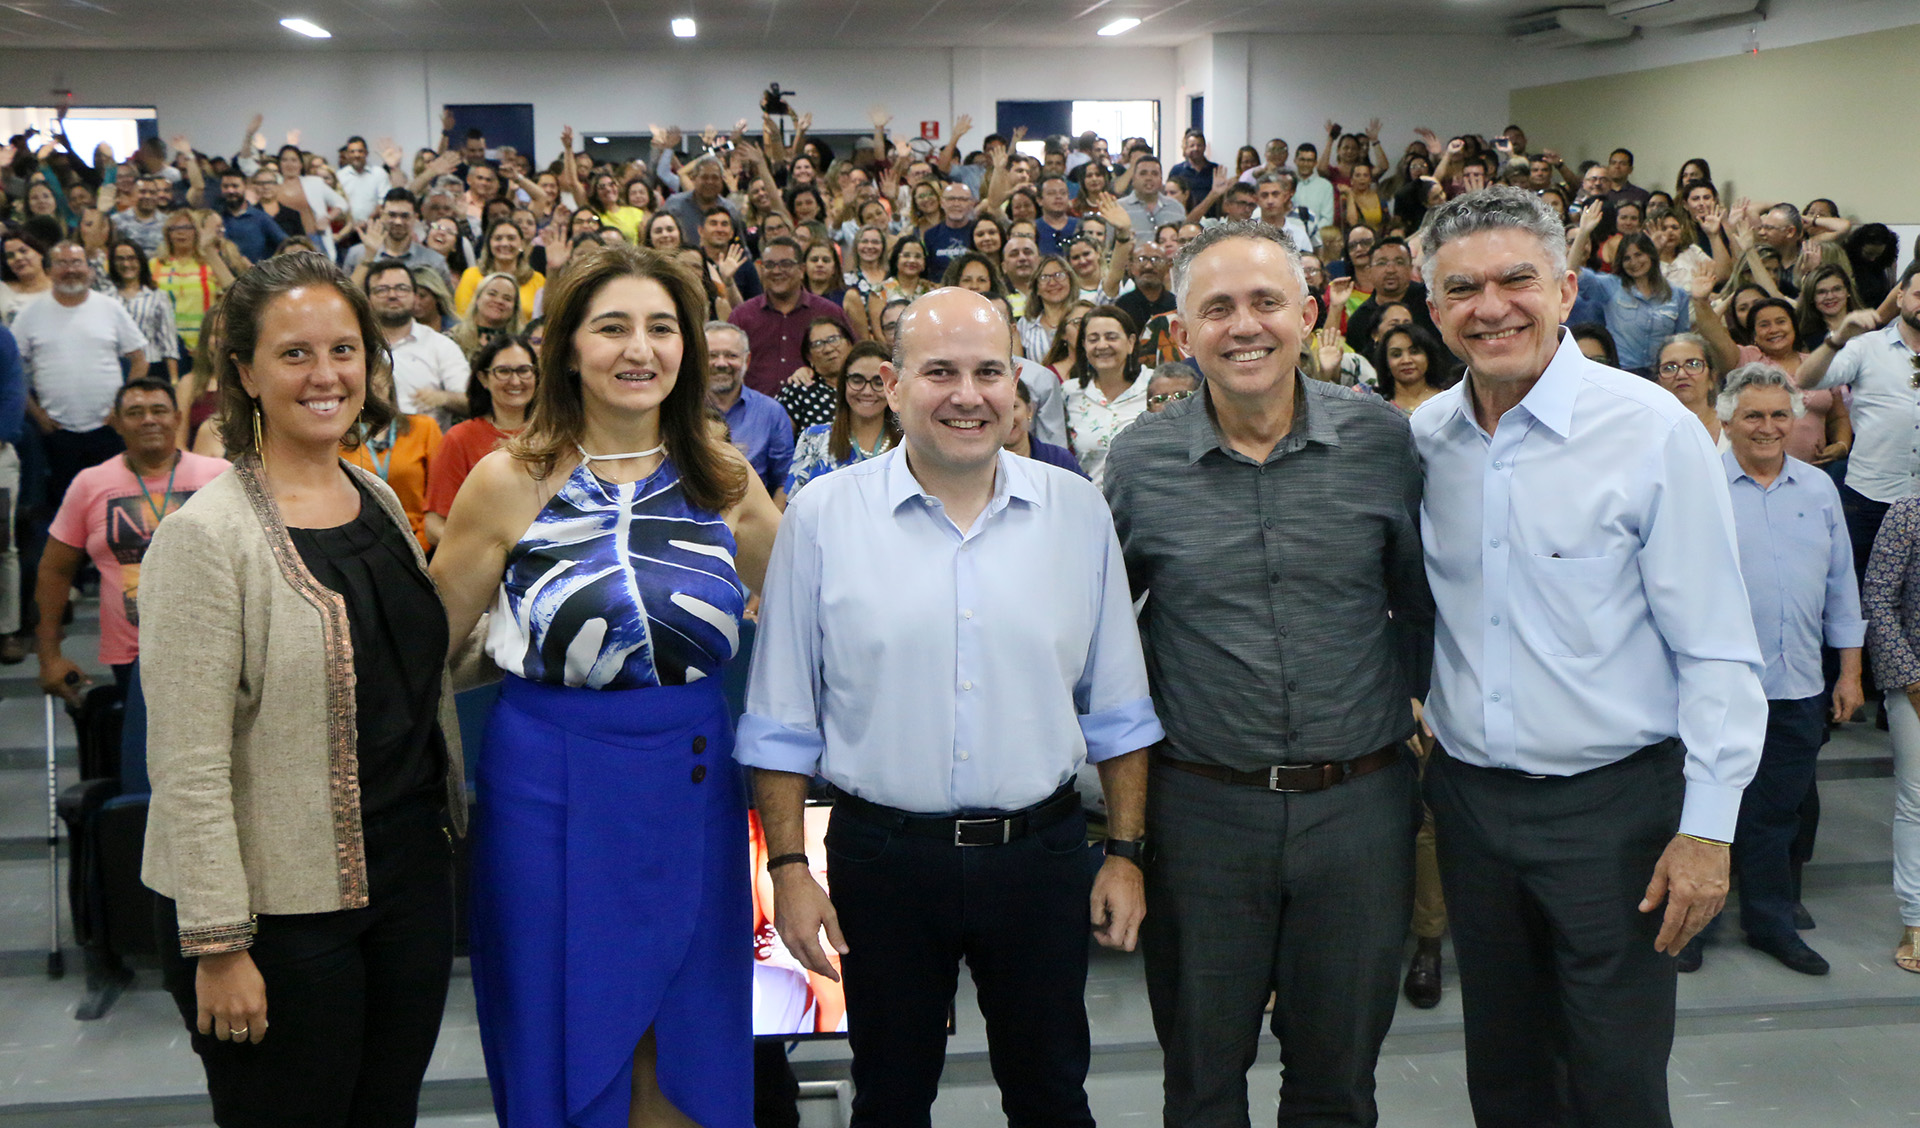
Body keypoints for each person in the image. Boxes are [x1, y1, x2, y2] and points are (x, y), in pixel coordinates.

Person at [738, 286, 1161, 1128]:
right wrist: (788, 871)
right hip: (882, 860)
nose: (967, 395)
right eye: (940, 372)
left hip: (1038, 859)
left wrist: (1124, 851)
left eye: (988, 372)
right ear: (892, 387)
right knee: (891, 1096)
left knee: (1050, 1094)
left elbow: (1118, 706)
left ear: (1018, 391)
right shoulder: (822, 516)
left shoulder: (1076, 510)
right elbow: (779, 717)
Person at [1412, 186, 1765, 1127]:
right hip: (1472, 806)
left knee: (1614, 1074)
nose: (1492, 307)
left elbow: (1721, 649)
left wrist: (1710, 828)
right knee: (1507, 1070)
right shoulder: (1424, 441)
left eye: (1517, 279)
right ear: (1435, 309)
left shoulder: (1649, 430)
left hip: (1614, 812)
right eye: (1462, 289)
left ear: (1568, 288)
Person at [430, 243, 780, 1128]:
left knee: (686, 1028)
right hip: (543, 790)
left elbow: (811, 626)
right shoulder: (506, 480)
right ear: (569, 349)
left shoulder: (724, 477)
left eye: (662, 328)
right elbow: (427, 652)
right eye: (613, 326)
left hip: (691, 791)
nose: (641, 348)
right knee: (562, 1021)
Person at [1102, 219, 1429, 1125]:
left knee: (1338, 1083)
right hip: (1204, 814)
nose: (1243, 327)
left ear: (1310, 315)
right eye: (1217, 309)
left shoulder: (1381, 444)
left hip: (1359, 810)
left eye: (1264, 303)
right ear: (1179, 335)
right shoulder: (1139, 463)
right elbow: (1103, 637)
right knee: (1202, 1081)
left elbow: (1422, 605)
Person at [139, 252, 467, 1128]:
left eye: (345, 349)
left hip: (406, 883)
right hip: (278, 914)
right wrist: (218, 945)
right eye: (294, 354)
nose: (326, 375)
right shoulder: (204, 538)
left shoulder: (374, 498)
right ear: (242, 373)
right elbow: (188, 765)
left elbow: (411, 673)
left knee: (384, 1114)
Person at [1669, 364, 1864, 977]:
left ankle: (1770, 922)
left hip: (1798, 684)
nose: (1769, 426)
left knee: (1776, 816)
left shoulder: (1819, 489)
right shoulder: (1698, 488)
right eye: (1753, 414)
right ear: (1725, 419)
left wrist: (1850, 673)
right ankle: (1689, 926)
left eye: (1781, 414)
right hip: (1711, 690)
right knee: (1698, 812)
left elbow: (1842, 588)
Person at [36, 378, 228, 694]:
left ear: (178, 419)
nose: (149, 419)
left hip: (218, 648)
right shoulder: (90, 484)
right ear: (117, 423)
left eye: (159, 410)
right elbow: (55, 570)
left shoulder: (219, 475)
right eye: (135, 412)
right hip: (134, 656)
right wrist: (49, 657)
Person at [1794, 264, 1920, 590]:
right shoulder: (1867, 346)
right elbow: (1807, 379)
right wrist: (1838, 339)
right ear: (1901, 295)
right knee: (1858, 593)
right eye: (1919, 295)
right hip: (1869, 497)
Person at [1864, 490, 1920, 976]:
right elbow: (1878, 597)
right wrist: (1911, 679)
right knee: (1917, 802)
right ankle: (1916, 920)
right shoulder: (1908, 512)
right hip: (1916, 684)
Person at [423, 333, 535, 546]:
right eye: (503, 371)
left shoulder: (557, 434)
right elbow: (434, 526)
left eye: (524, 370)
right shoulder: (460, 439)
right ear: (484, 378)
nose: (515, 381)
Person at [729, 236, 853, 397]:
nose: (777, 270)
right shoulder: (742, 315)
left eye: (786, 264)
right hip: (755, 413)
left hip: (814, 412)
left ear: (802, 270)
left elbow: (852, 360)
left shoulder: (829, 312)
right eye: (769, 265)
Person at [781, 339, 899, 502]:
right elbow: (794, 510)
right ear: (843, 383)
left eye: (878, 382)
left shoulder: (910, 444)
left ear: (891, 386)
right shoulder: (814, 439)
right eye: (857, 380)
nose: (867, 391)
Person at [1062, 305, 1151, 488]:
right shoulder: (1069, 393)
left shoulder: (1155, 386)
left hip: (1148, 503)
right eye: (1093, 339)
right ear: (1084, 346)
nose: (1102, 345)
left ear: (1131, 342)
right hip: (1091, 505)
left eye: (1111, 337)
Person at [706, 321, 795, 498]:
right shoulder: (678, 409)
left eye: (731, 355)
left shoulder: (771, 412)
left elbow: (784, 481)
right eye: (712, 355)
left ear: (747, 360)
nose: (721, 363)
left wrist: (775, 524)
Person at [106, 238, 183, 383]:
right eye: (120, 259)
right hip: (116, 366)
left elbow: (169, 342)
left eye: (131, 258)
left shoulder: (158, 296)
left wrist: (173, 380)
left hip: (152, 366)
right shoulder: (105, 297)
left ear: (141, 261)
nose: (126, 264)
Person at [1005, 376, 1084, 475]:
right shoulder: (981, 466)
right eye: (998, 409)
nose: (1007, 417)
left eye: (1014, 407)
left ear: (1029, 410)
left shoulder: (1059, 460)